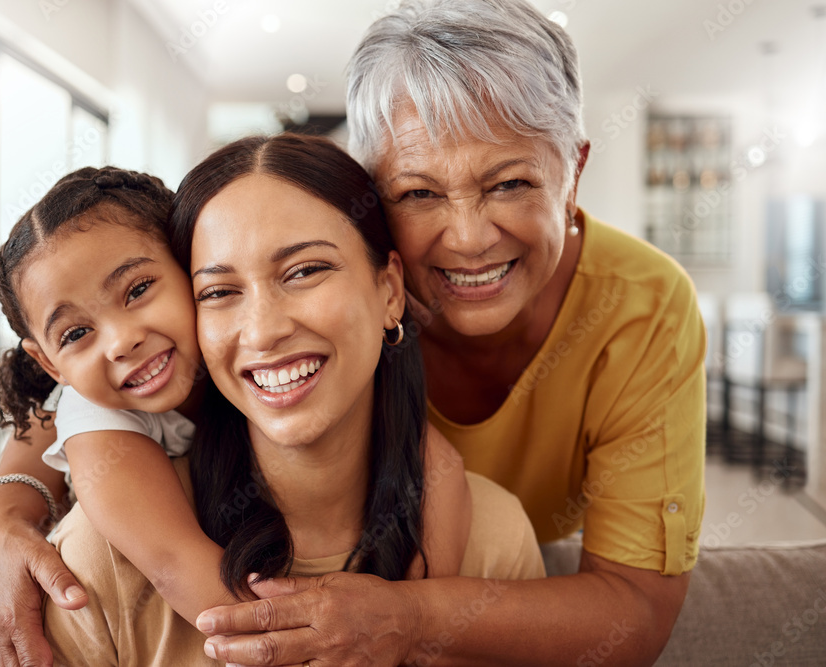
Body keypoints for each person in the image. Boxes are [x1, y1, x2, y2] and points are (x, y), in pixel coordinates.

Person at [194, 1, 706, 665]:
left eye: (511, 183)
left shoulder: (644, 308)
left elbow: (634, 613)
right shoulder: (333, 303)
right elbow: (113, 357)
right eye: (418, 194)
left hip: (511, 569)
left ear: (573, 171)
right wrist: (18, 490)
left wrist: (404, 615)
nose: (468, 239)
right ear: (371, 197)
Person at [40, 134, 544, 665]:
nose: (262, 332)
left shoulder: (493, 536)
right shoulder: (98, 562)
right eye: (218, 292)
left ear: (390, 291)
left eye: (304, 271)